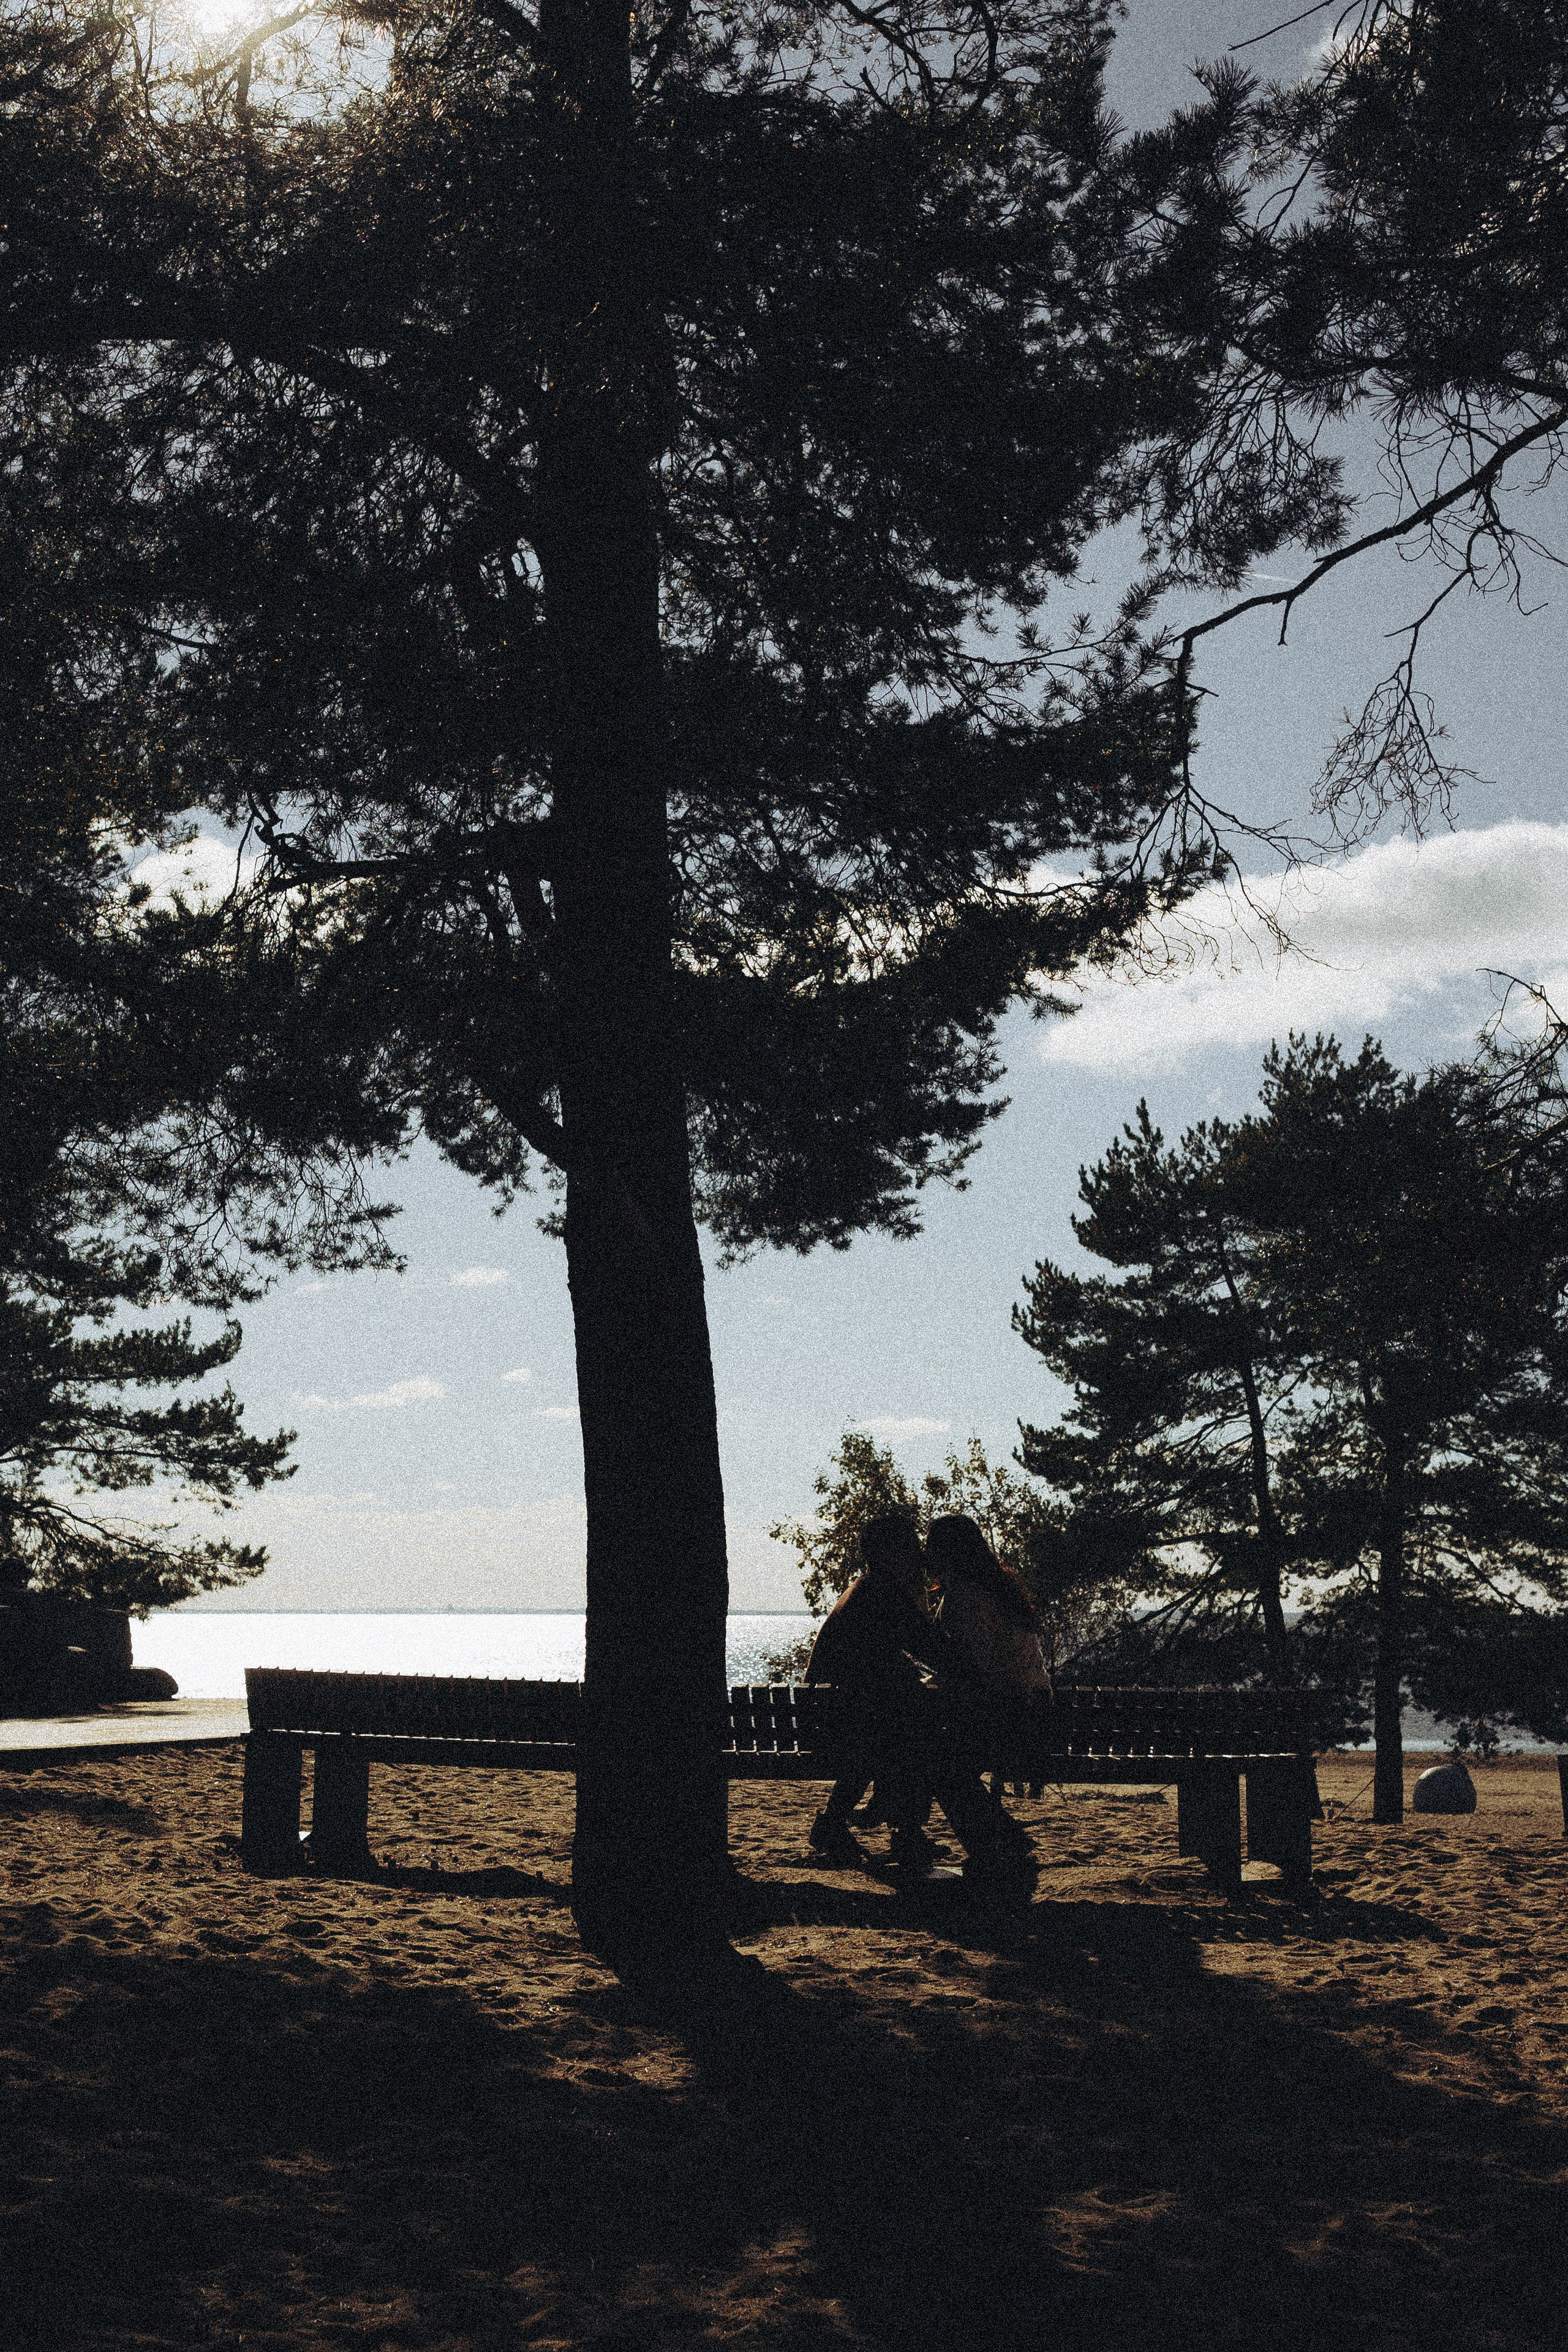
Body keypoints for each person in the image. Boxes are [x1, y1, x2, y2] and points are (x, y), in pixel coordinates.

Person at [804, 1512, 946, 1871]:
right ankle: (905, 1833)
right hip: (856, 1720)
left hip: (839, 1718)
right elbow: (931, 1648)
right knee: (913, 1736)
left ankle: (845, 1824)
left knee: (893, 1731)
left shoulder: (863, 1588)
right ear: (895, 1551)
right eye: (912, 1544)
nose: (919, 1551)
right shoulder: (884, 1592)